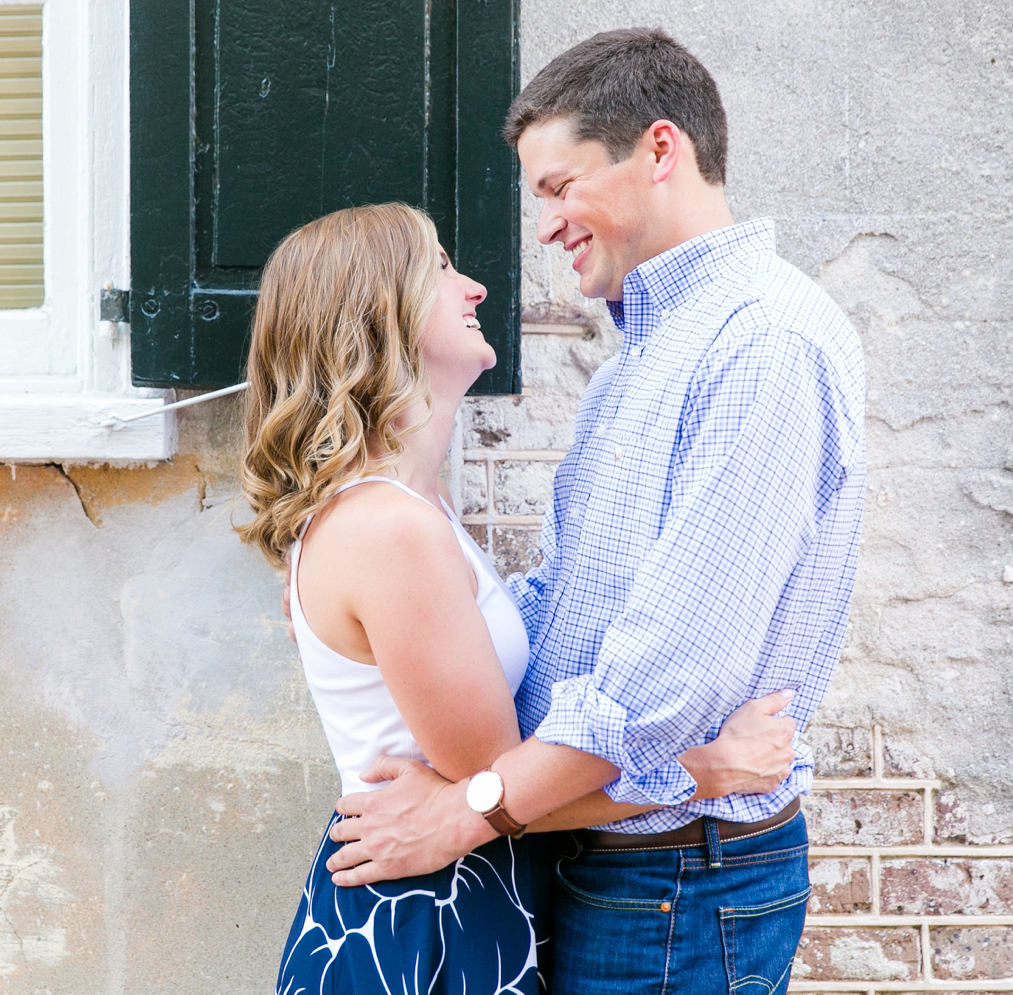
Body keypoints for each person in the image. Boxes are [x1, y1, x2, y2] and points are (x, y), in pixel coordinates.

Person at [319, 30, 867, 995]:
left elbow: (671, 673)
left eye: (559, 187)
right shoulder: (640, 361)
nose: (546, 226)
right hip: (604, 863)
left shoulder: (762, 344)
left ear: (661, 151)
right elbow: (573, 603)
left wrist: (468, 810)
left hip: (674, 883)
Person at [237, 201, 802, 994]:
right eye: (439, 266)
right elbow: (506, 790)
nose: (472, 288)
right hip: (424, 926)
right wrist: (708, 770)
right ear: (375, 313)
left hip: (457, 902)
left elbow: (479, 792)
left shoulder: (408, 507)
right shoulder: (387, 530)